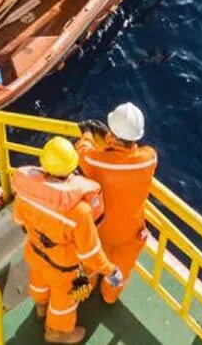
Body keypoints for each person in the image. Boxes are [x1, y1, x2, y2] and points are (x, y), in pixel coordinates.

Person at [13, 136, 124, 344]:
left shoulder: (25, 193)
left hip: (35, 254)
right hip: (62, 269)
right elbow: (90, 253)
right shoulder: (79, 212)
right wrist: (110, 271)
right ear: (72, 169)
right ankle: (56, 332)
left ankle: (40, 308)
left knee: (39, 280)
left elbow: (19, 219)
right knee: (64, 301)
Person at [75, 102, 157, 304]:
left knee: (92, 264)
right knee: (120, 272)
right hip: (130, 233)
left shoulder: (96, 161)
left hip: (100, 230)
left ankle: (90, 285)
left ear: (112, 134)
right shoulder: (149, 158)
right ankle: (110, 296)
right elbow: (129, 157)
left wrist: (87, 134)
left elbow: (82, 152)